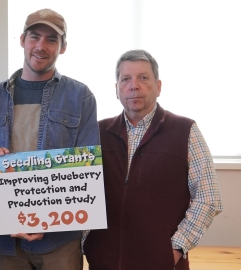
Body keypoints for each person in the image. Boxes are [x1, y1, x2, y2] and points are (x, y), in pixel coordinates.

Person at [0, 8, 99, 270]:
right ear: (22, 40)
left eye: (52, 39)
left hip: (59, 241)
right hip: (4, 241)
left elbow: (88, 169)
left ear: (63, 47)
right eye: (35, 36)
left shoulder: (81, 96)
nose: (41, 46)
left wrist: (47, 221)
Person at [83, 49, 223, 270]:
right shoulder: (96, 132)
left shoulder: (185, 130)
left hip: (162, 264)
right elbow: (78, 191)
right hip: (103, 263)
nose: (134, 85)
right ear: (117, 89)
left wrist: (176, 249)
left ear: (158, 87)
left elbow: (208, 198)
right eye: (126, 79)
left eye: (143, 78)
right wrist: (86, 244)